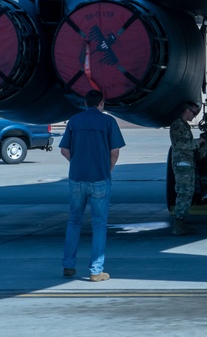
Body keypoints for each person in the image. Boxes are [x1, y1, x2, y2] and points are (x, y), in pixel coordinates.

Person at [60, 89, 126, 281]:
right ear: (101, 103)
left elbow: (64, 150)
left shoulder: (74, 121)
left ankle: (68, 265)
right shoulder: (108, 122)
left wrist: (78, 162)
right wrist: (107, 170)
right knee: (99, 225)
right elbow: (115, 152)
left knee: (74, 221)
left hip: (76, 179)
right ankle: (96, 270)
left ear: (85, 103)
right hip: (99, 178)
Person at [169, 100, 201, 235]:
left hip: (186, 162)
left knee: (187, 192)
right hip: (182, 163)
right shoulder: (178, 125)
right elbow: (181, 144)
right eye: (193, 113)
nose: (194, 116)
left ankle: (181, 223)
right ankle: (179, 224)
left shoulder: (183, 125)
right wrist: (198, 142)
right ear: (186, 110)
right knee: (184, 192)